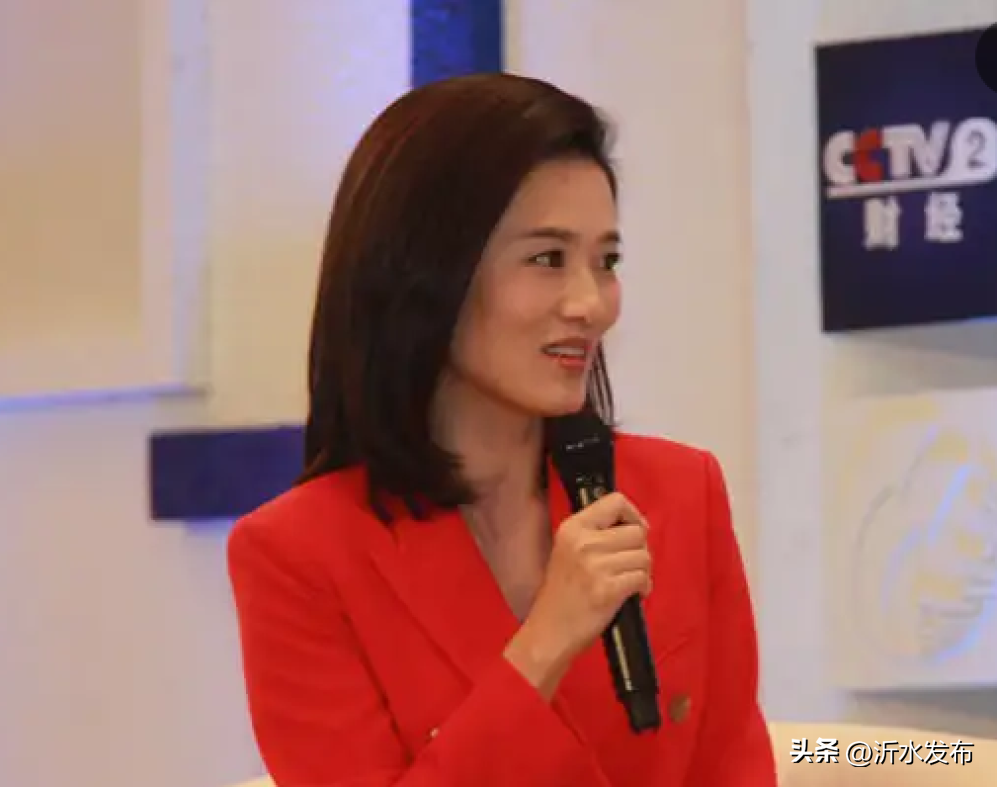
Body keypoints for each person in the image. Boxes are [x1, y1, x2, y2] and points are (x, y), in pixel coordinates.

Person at [227, 73, 776, 787]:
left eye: (606, 262)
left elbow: (732, 765)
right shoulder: (299, 556)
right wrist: (544, 643)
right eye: (548, 259)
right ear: (427, 270)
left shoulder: (678, 491)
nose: (590, 303)